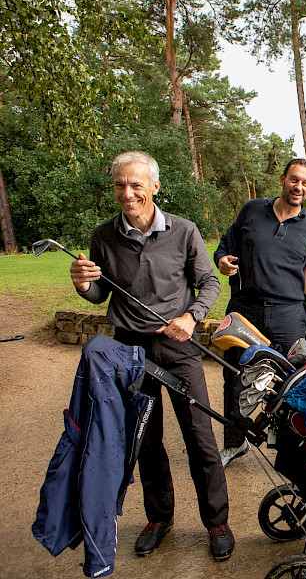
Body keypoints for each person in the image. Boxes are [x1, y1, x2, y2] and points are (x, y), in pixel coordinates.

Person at [69, 151, 233, 562]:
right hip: (128, 349)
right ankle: (159, 518)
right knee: (145, 439)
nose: (127, 193)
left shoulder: (184, 231)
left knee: (201, 438)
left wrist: (192, 317)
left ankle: (217, 522)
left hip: (178, 347)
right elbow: (98, 294)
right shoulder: (103, 236)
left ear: (154, 187)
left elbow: (209, 281)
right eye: (120, 185)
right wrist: (81, 285)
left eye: (136, 185)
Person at [214, 158, 306, 467]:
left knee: (294, 382)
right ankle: (234, 443)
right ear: (282, 179)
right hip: (245, 309)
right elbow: (226, 244)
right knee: (235, 377)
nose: (298, 186)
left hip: (288, 314)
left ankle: (288, 448)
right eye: (294, 179)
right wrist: (222, 260)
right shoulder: (252, 210)